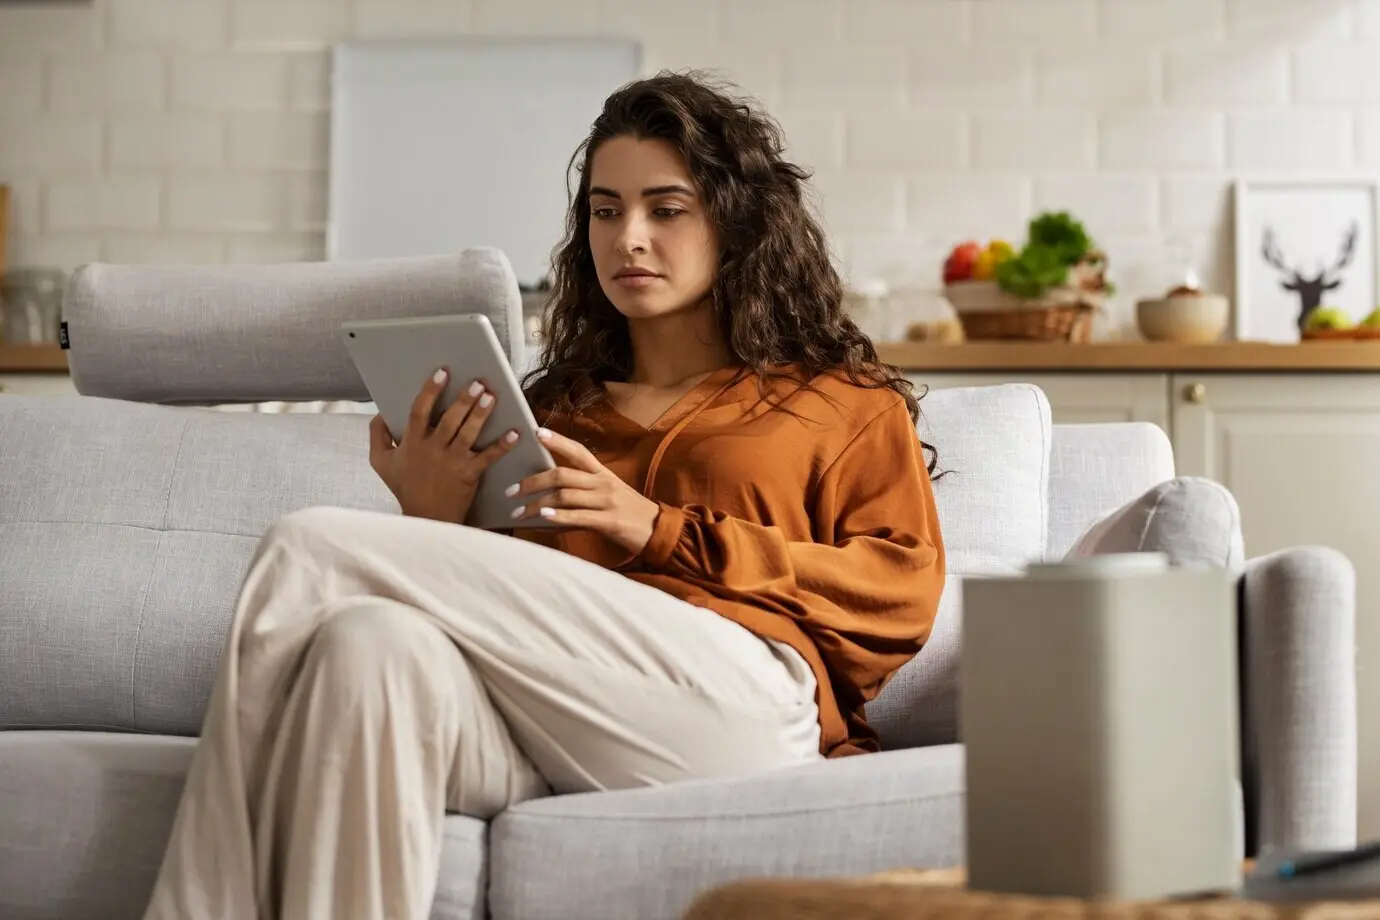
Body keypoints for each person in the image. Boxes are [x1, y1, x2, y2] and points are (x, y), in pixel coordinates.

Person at [141, 70, 945, 920]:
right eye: (605, 210)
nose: (628, 237)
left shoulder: (840, 402)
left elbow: (900, 597)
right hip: (567, 719)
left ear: (735, 223)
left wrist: (662, 532)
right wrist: (434, 513)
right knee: (367, 644)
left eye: (665, 210)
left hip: (743, 712)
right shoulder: (555, 411)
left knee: (310, 545)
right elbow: (511, 617)